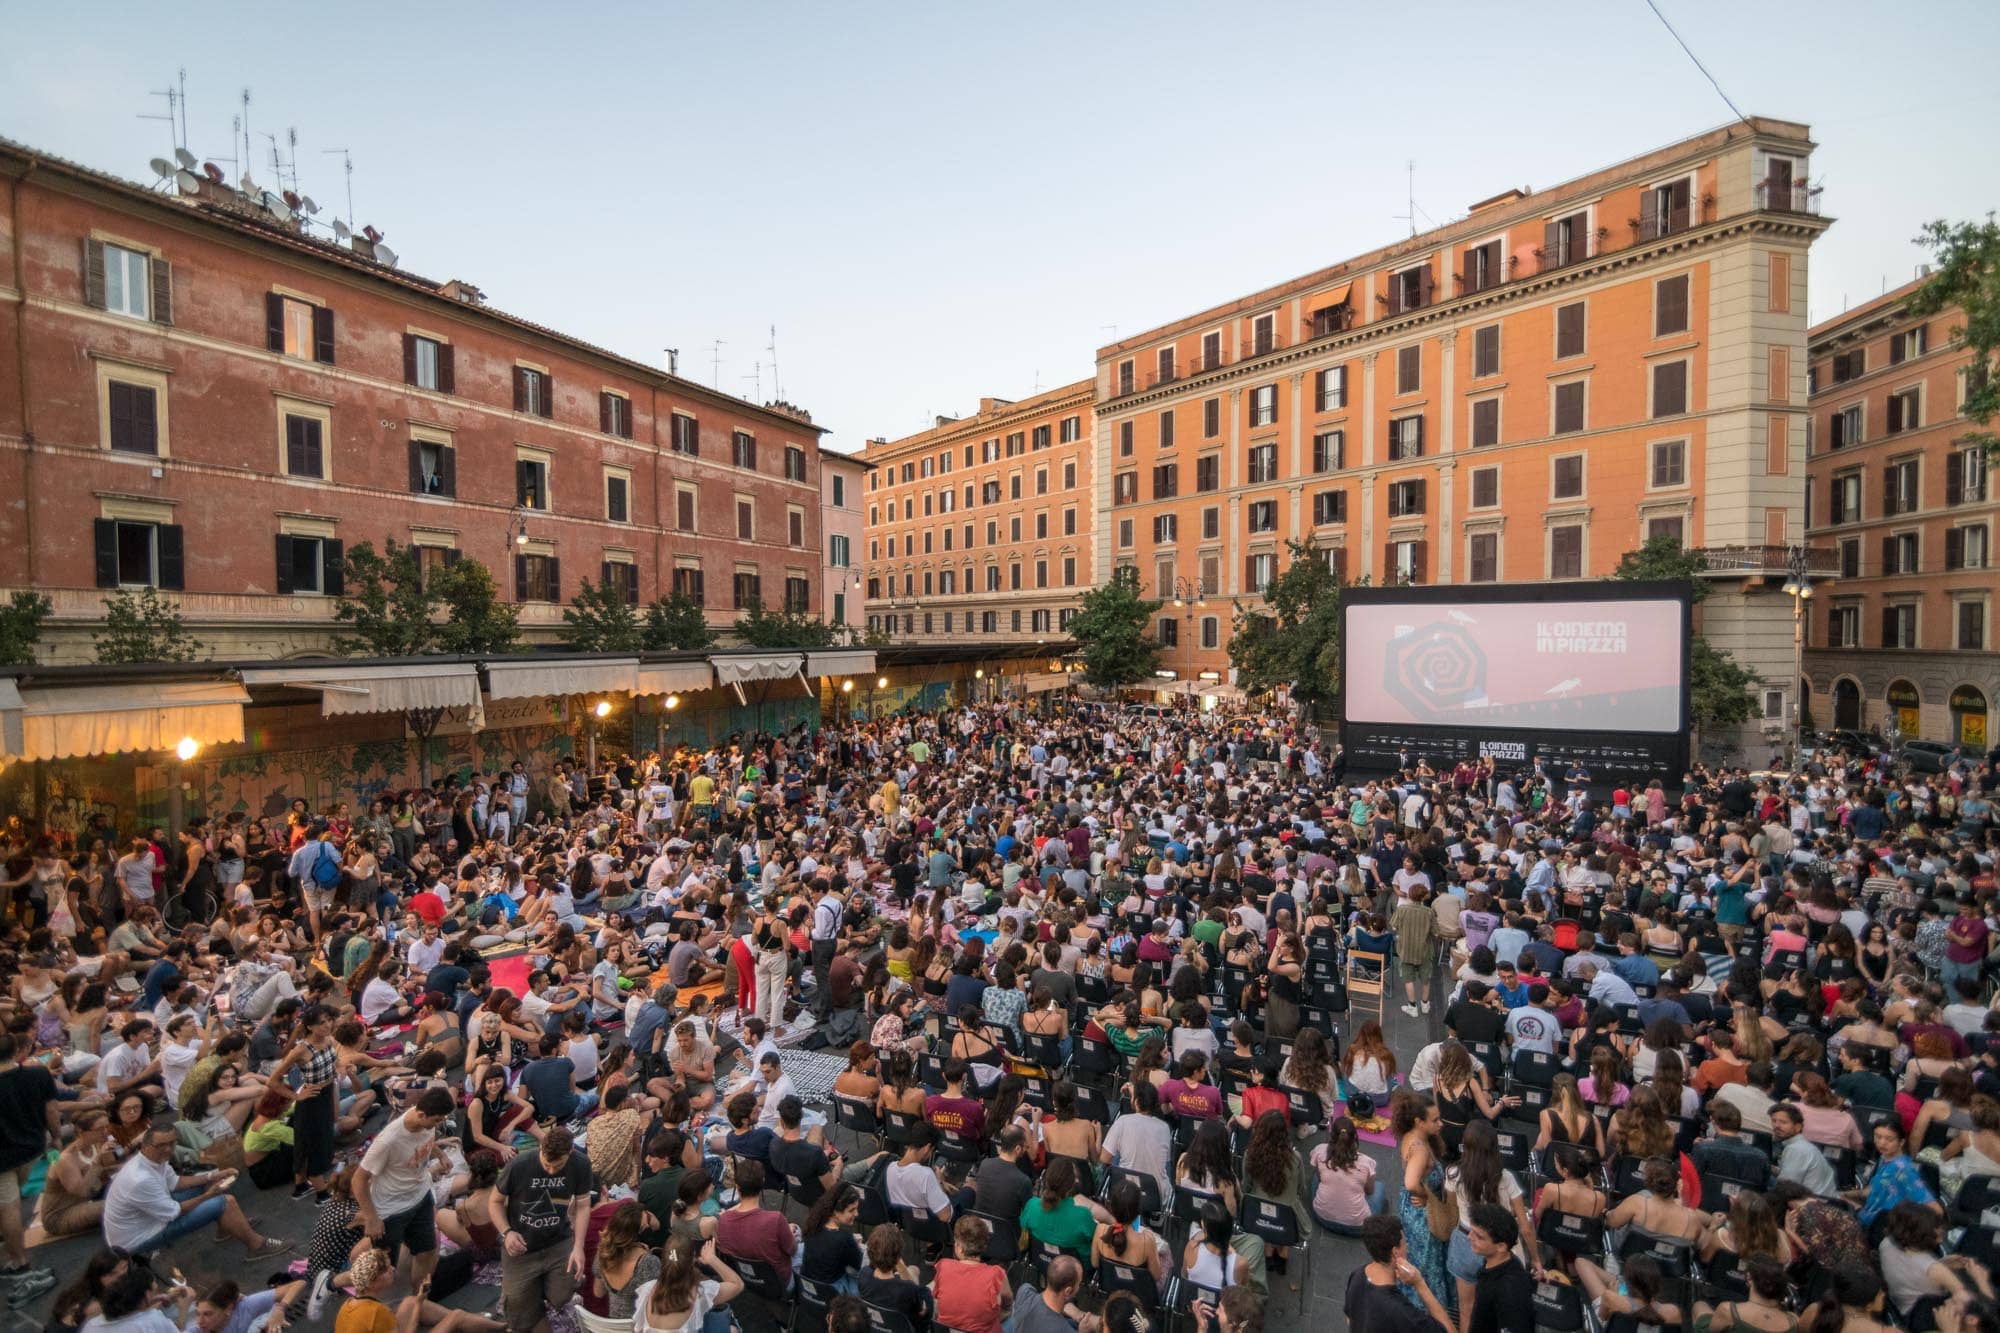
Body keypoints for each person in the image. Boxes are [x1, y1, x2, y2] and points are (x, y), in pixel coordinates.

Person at [103, 1123, 290, 1257]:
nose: (168, 1149)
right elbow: (175, 1211)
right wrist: (210, 1195)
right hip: (139, 1238)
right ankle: (256, 1246)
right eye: (161, 1145)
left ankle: (228, 1227)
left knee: (206, 1183)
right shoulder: (139, 1179)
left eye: (172, 1143)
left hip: (152, 1217)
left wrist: (212, 1177)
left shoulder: (153, 1160)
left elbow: (176, 1183)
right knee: (225, 1201)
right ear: (145, 1146)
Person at [489, 1125, 594, 1333]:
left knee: (562, 1295)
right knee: (518, 1311)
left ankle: (542, 1293)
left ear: (570, 1152)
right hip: (522, 1246)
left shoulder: (581, 1164)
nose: (552, 1171)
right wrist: (507, 1232)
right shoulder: (519, 1165)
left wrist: (578, 1246)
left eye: (558, 1166)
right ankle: (526, 1299)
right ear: (540, 1149)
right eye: (547, 1165)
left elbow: (583, 1205)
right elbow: (494, 1202)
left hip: (558, 1241)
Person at [355, 1086, 457, 1294]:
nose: (438, 1125)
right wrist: (372, 1218)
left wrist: (440, 1155)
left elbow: (428, 1139)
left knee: (427, 1251)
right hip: (391, 1209)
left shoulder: (426, 1124)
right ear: (421, 1114)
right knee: (382, 1267)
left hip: (420, 1197)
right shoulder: (388, 1141)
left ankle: (418, 1297)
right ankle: (352, 1294)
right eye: (437, 1120)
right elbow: (358, 1180)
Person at [1343, 1213, 1453, 1333]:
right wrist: (1420, 1283)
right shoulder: (1400, 1310)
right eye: (1405, 1243)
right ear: (1396, 1252)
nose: (1408, 1246)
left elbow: (1350, 1319)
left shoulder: (1357, 1275)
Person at [633, 1233, 742, 1333]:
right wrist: (711, 1259)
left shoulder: (647, 1289)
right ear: (693, 1258)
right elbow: (737, 1284)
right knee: (732, 1329)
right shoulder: (700, 1293)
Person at [1464, 1201, 1535, 1333]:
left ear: (1501, 1246)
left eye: (1478, 1236)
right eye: (1471, 1231)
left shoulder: (1510, 1291)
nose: (1469, 1237)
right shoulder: (1494, 1263)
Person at [933, 1215, 1011, 1333]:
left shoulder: (943, 1266)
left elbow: (936, 1295)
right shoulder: (997, 1274)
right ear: (984, 1246)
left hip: (947, 1330)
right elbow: (1008, 1300)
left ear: (959, 1247)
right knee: (1013, 1313)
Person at [1010, 1255, 1101, 1333]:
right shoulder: (1064, 1330)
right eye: (1079, 1283)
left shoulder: (1025, 1291)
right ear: (1068, 1291)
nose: (1079, 1287)